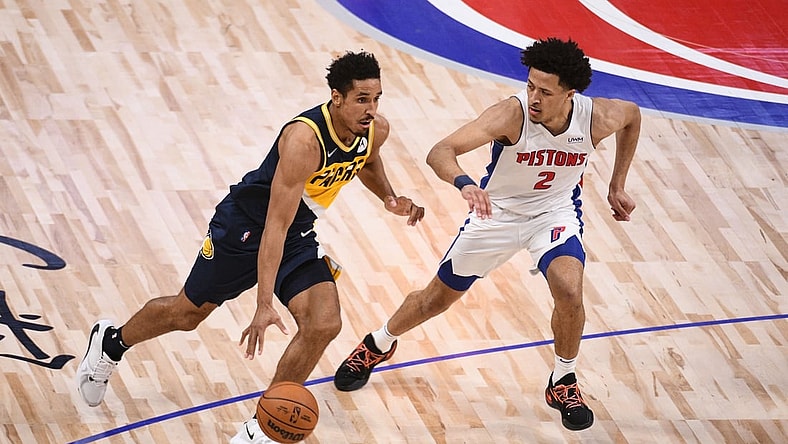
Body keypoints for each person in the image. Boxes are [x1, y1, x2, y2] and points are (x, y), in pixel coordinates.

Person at [75, 51, 425, 443]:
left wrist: (390, 199)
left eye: (377, 98)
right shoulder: (304, 140)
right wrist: (263, 304)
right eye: (362, 99)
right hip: (245, 228)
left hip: (297, 230)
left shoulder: (375, 128)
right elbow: (273, 226)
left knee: (323, 323)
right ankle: (111, 343)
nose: (371, 109)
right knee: (187, 315)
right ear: (336, 97)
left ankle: (261, 430)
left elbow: (367, 159)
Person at [334, 37, 640, 432]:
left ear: (570, 94)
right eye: (531, 85)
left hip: (553, 213)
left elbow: (632, 116)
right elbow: (440, 151)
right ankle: (377, 342)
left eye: (545, 92)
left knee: (569, 288)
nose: (533, 97)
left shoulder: (596, 117)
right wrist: (464, 184)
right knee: (434, 300)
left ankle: (562, 380)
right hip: (495, 214)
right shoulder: (510, 115)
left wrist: (618, 184)